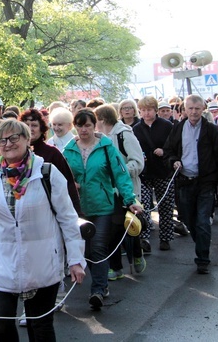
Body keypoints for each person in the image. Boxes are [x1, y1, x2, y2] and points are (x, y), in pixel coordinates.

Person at [0, 119, 85, 341]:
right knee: (1, 324)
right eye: (2, 140)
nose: (8, 144)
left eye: (15, 137)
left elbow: (67, 218)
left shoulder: (46, 172)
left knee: (40, 326)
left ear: (27, 139)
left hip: (42, 262)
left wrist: (76, 259)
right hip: (3, 264)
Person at [62, 109, 141, 309]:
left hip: (103, 206)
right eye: (79, 125)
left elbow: (120, 175)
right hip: (79, 208)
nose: (83, 130)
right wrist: (72, 184)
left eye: (87, 125)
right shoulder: (69, 149)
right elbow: (61, 176)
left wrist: (130, 198)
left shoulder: (107, 147)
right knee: (86, 249)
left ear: (94, 125)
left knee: (98, 247)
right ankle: (99, 283)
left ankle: (98, 289)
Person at [163, 95, 218, 274]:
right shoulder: (177, 129)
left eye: (197, 108)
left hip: (205, 183)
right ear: (184, 110)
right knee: (188, 219)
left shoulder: (212, 130)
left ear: (203, 109)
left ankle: (202, 258)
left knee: (203, 221)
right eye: (190, 108)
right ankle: (202, 240)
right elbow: (168, 151)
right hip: (184, 182)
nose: (194, 112)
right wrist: (173, 161)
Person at [94, 104, 146, 278]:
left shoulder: (125, 134)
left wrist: (119, 170)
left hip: (126, 190)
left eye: (95, 120)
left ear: (102, 120)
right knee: (114, 228)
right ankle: (116, 268)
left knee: (126, 226)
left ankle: (137, 254)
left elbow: (138, 162)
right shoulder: (100, 138)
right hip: (109, 192)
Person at [132, 96, 175, 253]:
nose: (146, 113)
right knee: (143, 205)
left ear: (155, 110)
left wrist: (165, 151)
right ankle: (144, 237)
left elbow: (175, 145)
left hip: (163, 171)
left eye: (149, 110)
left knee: (165, 205)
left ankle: (165, 237)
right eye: (143, 110)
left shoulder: (166, 126)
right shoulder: (136, 128)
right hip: (144, 172)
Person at [20, 108, 81, 214]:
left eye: (34, 125)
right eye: (26, 125)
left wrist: (77, 213)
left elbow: (68, 184)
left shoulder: (52, 153)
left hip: (50, 210)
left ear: (41, 128)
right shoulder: (16, 153)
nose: (30, 129)